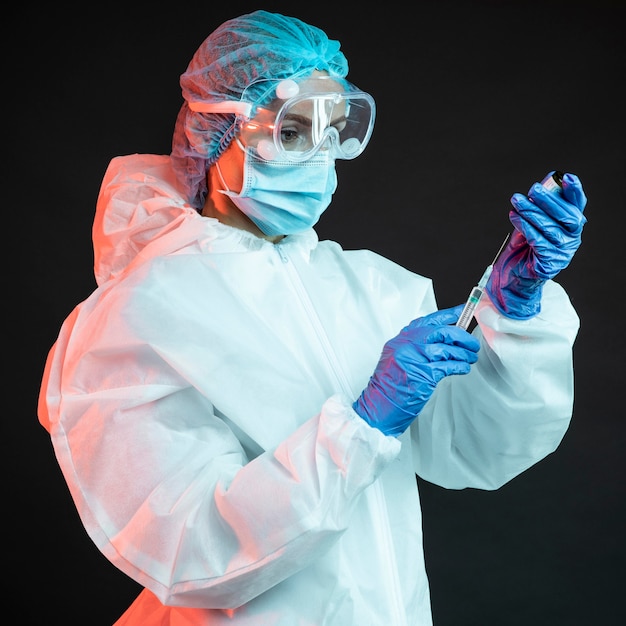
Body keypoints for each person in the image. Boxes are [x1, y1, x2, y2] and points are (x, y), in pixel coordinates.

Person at [38, 9, 587, 626]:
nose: (321, 159)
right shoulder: (139, 314)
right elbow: (190, 547)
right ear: (217, 134)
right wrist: (361, 424)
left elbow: (479, 449)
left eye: (334, 133)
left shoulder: (369, 287)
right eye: (293, 132)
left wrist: (514, 312)